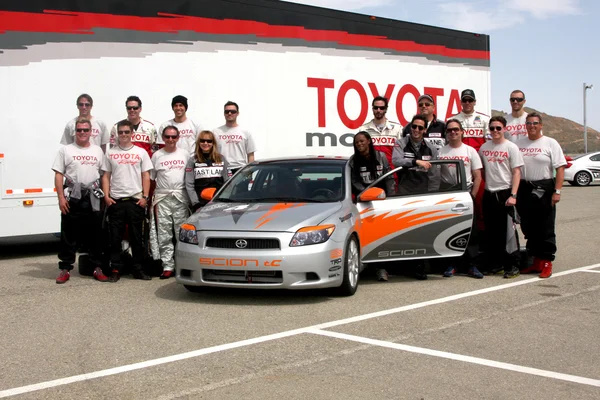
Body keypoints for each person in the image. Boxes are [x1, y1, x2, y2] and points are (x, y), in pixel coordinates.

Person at [53, 119, 107, 283]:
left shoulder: (98, 150)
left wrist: (105, 195)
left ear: (91, 132)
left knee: (96, 233)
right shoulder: (66, 150)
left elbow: (104, 174)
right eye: (79, 130)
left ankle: (97, 267)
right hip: (73, 196)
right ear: (74, 132)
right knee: (68, 233)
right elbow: (58, 174)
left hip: (92, 196)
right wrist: (61, 197)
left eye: (85, 130)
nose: (82, 133)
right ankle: (65, 269)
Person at [102, 119, 153, 282]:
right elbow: (106, 176)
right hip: (116, 201)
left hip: (135, 201)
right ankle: (116, 268)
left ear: (132, 133)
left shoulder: (140, 152)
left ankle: (138, 269)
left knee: (137, 237)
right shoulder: (110, 153)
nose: (123, 135)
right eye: (121, 132)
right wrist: (106, 196)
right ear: (117, 134)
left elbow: (146, 175)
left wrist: (145, 197)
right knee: (115, 238)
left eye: (126, 132)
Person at [516, 112, 566, 278]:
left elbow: (560, 168)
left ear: (541, 125)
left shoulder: (550, 143)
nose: (532, 126)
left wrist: (557, 191)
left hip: (544, 187)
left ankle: (546, 262)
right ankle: (535, 261)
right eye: (529, 123)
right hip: (524, 188)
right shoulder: (518, 143)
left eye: (535, 123)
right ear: (525, 125)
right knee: (528, 227)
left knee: (545, 227)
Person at [438, 119, 484, 279]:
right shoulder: (441, 152)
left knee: (471, 231)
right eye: (449, 130)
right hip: (448, 194)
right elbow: (437, 176)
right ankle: (452, 264)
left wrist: (472, 196)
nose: (453, 132)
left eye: (456, 129)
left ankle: (472, 266)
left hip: (466, 193)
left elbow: (478, 176)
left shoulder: (470, 151)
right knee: (450, 230)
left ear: (462, 131)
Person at [478, 116, 524, 278]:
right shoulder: (484, 148)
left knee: (509, 234)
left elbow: (517, 172)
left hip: (506, 193)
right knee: (492, 232)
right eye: (492, 128)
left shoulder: (511, 147)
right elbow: (482, 171)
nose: (495, 131)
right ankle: (496, 265)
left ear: (504, 129)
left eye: (498, 128)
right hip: (490, 194)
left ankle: (513, 266)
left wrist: (513, 195)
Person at [349, 131, 394, 281]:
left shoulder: (381, 157)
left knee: (384, 236)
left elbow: (389, 177)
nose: (359, 144)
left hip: (382, 202)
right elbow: (354, 183)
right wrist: (365, 193)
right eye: (357, 143)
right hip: (365, 203)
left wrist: (391, 198)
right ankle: (367, 267)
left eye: (362, 141)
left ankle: (383, 269)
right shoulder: (353, 161)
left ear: (369, 141)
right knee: (368, 237)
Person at [149, 126, 191, 279]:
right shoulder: (156, 156)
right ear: (163, 137)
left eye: (173, 137)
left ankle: (183, 264)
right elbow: (152, 178)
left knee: (181, 232)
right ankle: (168, 265)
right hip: (163, 198)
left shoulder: (185, 154)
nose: (170, 140)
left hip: (180, 197)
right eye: (167, 137)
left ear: (178, 138)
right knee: (164, 233)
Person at [392, 114, 439, 196]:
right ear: (411, 127)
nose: (416, 130)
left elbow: (434, 175)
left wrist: (433, 194)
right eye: (414, 126)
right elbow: (396, 161)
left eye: (420, 128)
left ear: (425, 130)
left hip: (424, 192)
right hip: (404, 191)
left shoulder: (431, 148)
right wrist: (415, 162)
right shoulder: (400, 143)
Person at [186, 130, 230, 211]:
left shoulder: (221, 159)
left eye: (209, 141)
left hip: (219, 202)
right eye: (202, 140)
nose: (205, 143)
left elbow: (228, 182)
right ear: (199, 143)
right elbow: (189, 185)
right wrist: (195, 203)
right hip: (200, 204)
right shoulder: (193, 160)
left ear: (213, 143)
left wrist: (225, 200)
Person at [213, 101, 256, 175]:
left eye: (233, 111)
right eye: (227, 111)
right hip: (221, 170)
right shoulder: (215, 132)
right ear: (224, 113)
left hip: (240, 170)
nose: (229, 113)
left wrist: (250, 172)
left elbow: (250, 154)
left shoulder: (245, 132)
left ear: (237, 113)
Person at [359, 96, 402, 168]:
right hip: (372, 173)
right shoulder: (364, 129)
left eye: (381, 108)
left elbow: (401, 153)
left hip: (391, 174)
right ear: (372, 109)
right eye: (376, 108)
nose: (378, 110)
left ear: (386, 109)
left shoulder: (397, 129)